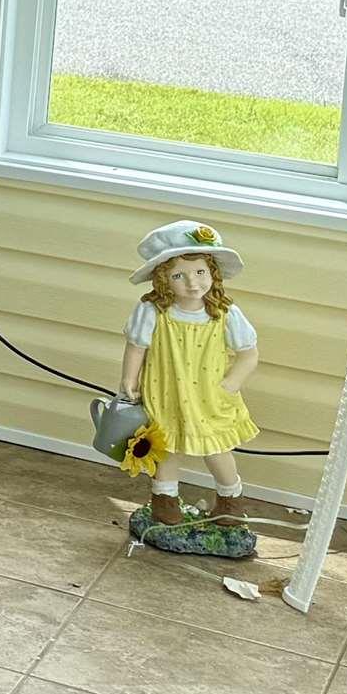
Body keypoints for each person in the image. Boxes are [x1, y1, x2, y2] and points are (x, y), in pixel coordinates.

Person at [119, 220, 267, 529]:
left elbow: (249, 354)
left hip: (210, 399)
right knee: (166, 449)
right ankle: (165, 501)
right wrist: (129, 381)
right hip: (166, 395)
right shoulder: (152, 312)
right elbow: (137, 347)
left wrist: (229, 385)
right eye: (179, 275)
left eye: (200, 272)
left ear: (212, 272)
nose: (192, 283)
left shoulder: (224, 313)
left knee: (216, 450)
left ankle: (230, 501)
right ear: (162, 278)